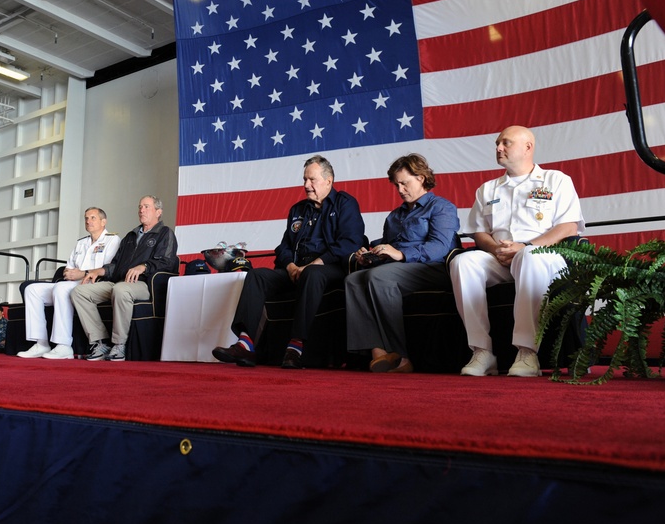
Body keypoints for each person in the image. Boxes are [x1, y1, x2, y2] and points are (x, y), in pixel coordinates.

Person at [449, 126, 584, 377]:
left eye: (506, 143)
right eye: (498, 143)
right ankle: (482, 351)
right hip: (500, 256)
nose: (499, 148)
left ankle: (527, 352)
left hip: (543, 256)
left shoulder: (556, 180)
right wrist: (496, 249)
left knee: (529, 257)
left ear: (528, 147)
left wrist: (527, 247)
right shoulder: (487, 189)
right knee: (463, 262)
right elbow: (479, 232)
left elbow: (568, 226)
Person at [213, 155, 365, 369]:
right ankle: (246, 344)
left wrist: (315, 264)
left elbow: (351, 242)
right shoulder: (298, 210)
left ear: (329, 180)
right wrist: (291, 266)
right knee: (257, 276)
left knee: (312, 274)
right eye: (304, 179)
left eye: (311, 180)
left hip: (329, 268)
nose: (306, 185)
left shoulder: (345, 203)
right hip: (296, 268)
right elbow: (283, 248)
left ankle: (296, 347)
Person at [345, 154, 461, 374]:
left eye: (404, 183)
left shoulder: (441, 207)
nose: (400, 189)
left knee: (378, 277)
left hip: (433, 268)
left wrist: (400, 254)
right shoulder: (395, 216)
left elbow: (441, 247)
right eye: (396, 184)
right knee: (353, 279)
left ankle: (401, 357)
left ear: (421, 178)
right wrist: (371, 254)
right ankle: (378, 352)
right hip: (401, 267)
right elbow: (389, 246)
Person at [71, 196, 179, 362]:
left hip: (145, 284)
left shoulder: (165, 233)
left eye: (146, 207)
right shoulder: (130, 236)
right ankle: (99, 342)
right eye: (140, 207)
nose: (141, 210)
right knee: (79, 292)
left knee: (121, 290)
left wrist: (144, 266)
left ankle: (119, 344)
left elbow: (167, 261)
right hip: (119, 282)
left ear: (158, 212)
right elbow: (115, 264)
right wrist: (97, 271)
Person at [18, 207, 121, 359]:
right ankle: (41, 343)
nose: (88, 221)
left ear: (103, 221)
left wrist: (82, 273)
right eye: (86, 218)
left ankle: (64, 345)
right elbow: (69, 266)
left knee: (61, 288)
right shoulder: (81, 243)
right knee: (32, 289)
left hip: (94, 283)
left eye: (93, 218)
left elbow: (107, 268)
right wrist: (69, 273)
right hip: (72, 282)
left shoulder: (112, 240)